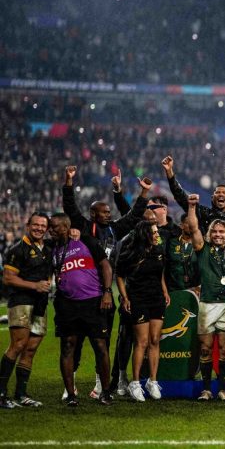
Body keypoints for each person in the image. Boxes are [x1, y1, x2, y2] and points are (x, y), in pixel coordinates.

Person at [62, 165, 150, 398]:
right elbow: (70, 209)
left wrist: (143, 194)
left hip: (105, 293)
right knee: (77, 340)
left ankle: (100, 384)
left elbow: (132, 218)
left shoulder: (113, 229)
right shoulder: (84, 228)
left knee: (103, 340)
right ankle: (69, 385)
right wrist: (68, 182)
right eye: (104, 212)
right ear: (93, 214)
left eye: (109, 211)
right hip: (83, 293)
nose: (109, 214)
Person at [184, 194, 225, 401]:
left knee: (224, 349)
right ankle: (205, 389)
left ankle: (222, 388)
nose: (218, 235)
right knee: (205, 348)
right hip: (206, 303)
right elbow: (194, 228)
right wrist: (192, 206)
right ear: (209, 233)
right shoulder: (202, 249)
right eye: (215, 231)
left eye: (222, 231)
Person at [48, 213, 114, 407]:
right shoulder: (51, 248)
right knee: (68, 346)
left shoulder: (85, 240)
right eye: (50, 227)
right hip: (66, 304)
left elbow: (106, 266)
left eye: (55, 227)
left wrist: (107, 292)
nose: (51, 230)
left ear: (67, 227)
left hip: (93, 301)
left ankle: (106, 392)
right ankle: (71, 395)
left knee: (100, 346)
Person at [0, 213, 52, 408]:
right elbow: (8, 278)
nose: (39, 228)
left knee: (31, 349)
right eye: (35, 225)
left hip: (40, 303)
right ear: (27, 225)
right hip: (21, 301)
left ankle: (21, 394)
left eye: (42, 226)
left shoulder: (46, 248)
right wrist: (35, 286)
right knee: (18, 344)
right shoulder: (17, 250)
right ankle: (1, 393)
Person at [116, 221, 170, 401]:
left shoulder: (159, 251)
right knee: (142, 341)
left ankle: (152, 381)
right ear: (145, 234)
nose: (157, 235)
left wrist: (164, 291)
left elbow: (160, 273)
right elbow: (120, 276)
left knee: (155, 340)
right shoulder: (130, 253)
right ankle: (135, 382)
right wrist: (125, 297)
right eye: (154, 232)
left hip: (156, 299)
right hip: (138, 300)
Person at [162, 155, 225, 232]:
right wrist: (169, 172)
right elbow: (181, 197)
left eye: (224, 193)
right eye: (218, 192)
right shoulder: (204, 214)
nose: (221, 194)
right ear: (212, 197)